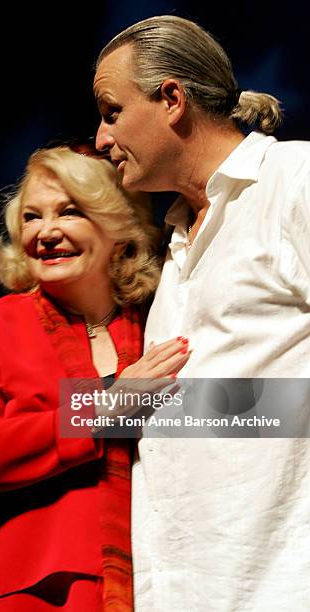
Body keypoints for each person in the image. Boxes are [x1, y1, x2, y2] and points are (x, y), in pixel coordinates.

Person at [93, 15, 310, 612]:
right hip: (185, 587)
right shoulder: (177, 244)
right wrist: (63, 405)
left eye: (111, 111)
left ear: (171, 99)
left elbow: (243, 404)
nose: (101, 138)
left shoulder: (293, 181)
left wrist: (87, 406)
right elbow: (193, 409)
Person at [0, 144, 191, 611]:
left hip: (155, 583)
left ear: (119, 228)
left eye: (70, 212)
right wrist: (103, 405)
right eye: (32, 217)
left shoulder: (159, 320)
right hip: (29, 588)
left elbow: (238, 409)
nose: (46, 232)